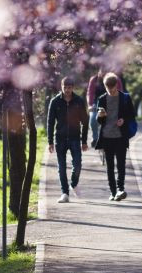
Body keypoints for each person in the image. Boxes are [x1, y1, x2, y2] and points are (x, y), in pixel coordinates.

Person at [47, 77, 89, 203]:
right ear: (61, 87)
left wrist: (84, 141)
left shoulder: (79, 101)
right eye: (65, 87)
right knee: (62, 167)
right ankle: (65, 193)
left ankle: (73, 183)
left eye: (69, 87)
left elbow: (85, 122)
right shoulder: (55, 102)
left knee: (77, 164)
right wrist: (50, 141)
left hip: (75, 138)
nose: (67, 90)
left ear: (73, 87)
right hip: (59, 139)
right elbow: (50, 122)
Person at [95, 72, 136, 201]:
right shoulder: (101, 99)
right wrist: (100, 116)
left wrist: (123, 120)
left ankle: (120, 189)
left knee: (121, 165)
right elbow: (99, 121)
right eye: (108, 88)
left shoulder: (125, 98)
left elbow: (132, 115)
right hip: (107, 137)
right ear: (105, 86)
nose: (111, 90)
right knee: (110, 166)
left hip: (120, 137)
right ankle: (113, 192)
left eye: (112, 87)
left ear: (116, 85)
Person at [87, 68, 124, 163]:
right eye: (101, 72)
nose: (103, 74)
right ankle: (95, 138)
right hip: (97, 105)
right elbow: (90, 94)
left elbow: (120, 93)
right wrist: (90, 105)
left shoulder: (116, 80)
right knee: (93, 118)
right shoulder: (94, 80)